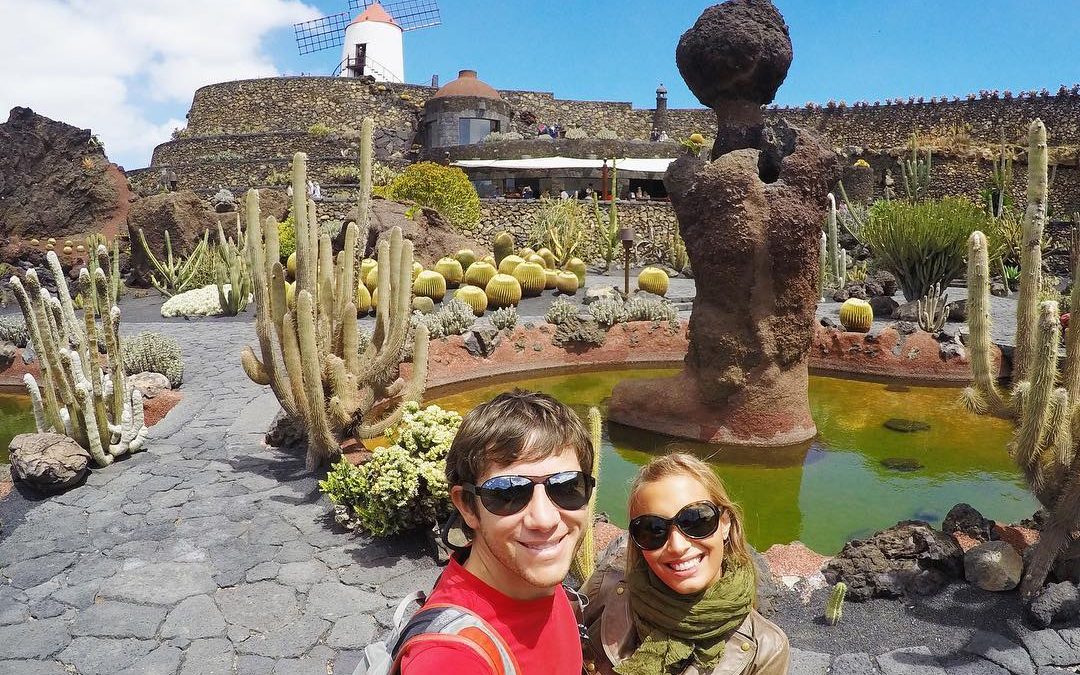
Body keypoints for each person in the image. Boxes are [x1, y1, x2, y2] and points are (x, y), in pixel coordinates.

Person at [398, 390, 593, 675]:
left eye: (566, 486)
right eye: (509, 492)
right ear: (467, 505)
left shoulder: (533, 580)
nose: (544, 519)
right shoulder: (449, 660)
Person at [582, 453, 790, 675]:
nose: (677, 546)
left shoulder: (766, 650)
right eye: (654, 529)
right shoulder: (605, 588)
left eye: (696, 521)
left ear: (725, 524)